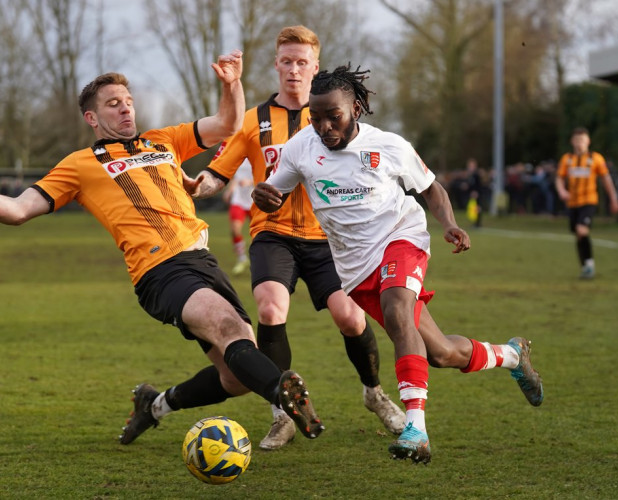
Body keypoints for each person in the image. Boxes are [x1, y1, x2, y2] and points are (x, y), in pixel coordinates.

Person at [0, 50, 326, 446]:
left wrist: (232, 84)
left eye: (128, 100)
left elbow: (226, 125)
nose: (124, 108)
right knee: (232, 331)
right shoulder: (79, 165)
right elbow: (17, 209)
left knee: (234, 376)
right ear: (92, 116)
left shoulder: (164, 140)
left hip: (202, 261)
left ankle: (155, 405)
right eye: (112, 103)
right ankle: (283, 395)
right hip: (159, 271)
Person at [252, 64, 544, 464]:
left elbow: (432, 188)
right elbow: (274, 189)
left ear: (355, 108)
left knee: (397, 309)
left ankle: (416, 429)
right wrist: (263, 195)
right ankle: (512, 355)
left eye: (332, 116)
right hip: (355, 268)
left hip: (401, 238)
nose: (323, 127)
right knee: (439, 353)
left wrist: (450, 224)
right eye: (315, 118)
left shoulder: (389, 145)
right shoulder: (300, 147)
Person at [184, 25, 404, 451]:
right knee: (269, 309)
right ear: (276, 65)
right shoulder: (253, 121)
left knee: (351, 319)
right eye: (286, 61)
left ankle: (374, 393)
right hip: (274, 234)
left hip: (330, 238)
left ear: (315, 67)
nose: (294, 70)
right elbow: (217, 174)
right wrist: (195, 186)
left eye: (302, 62)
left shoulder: (333, 115)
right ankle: (281, 412)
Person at [555, 127, 618, 279]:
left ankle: (589, 265)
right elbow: (559, 178)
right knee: (578, 235)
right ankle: (585, 266)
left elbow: (606, 179)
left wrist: (613, 199)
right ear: (572, 141)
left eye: (582, 140)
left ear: (588, 141)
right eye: (577, 140)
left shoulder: (596, 158)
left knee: (581, 230)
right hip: (572, 203)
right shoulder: (567, 159)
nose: (579, 143)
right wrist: (562, 191)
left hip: (589, 201)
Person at [222, 158, 253, 275]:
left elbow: (267, 177)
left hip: (255, 201)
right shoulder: (238, 156)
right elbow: (236, 177)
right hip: (238, 201)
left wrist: (250, 182)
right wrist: (229, 191)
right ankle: (242, 258)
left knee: (258, 233)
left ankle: (259, 260)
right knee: (235, 230)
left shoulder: (258, 154)